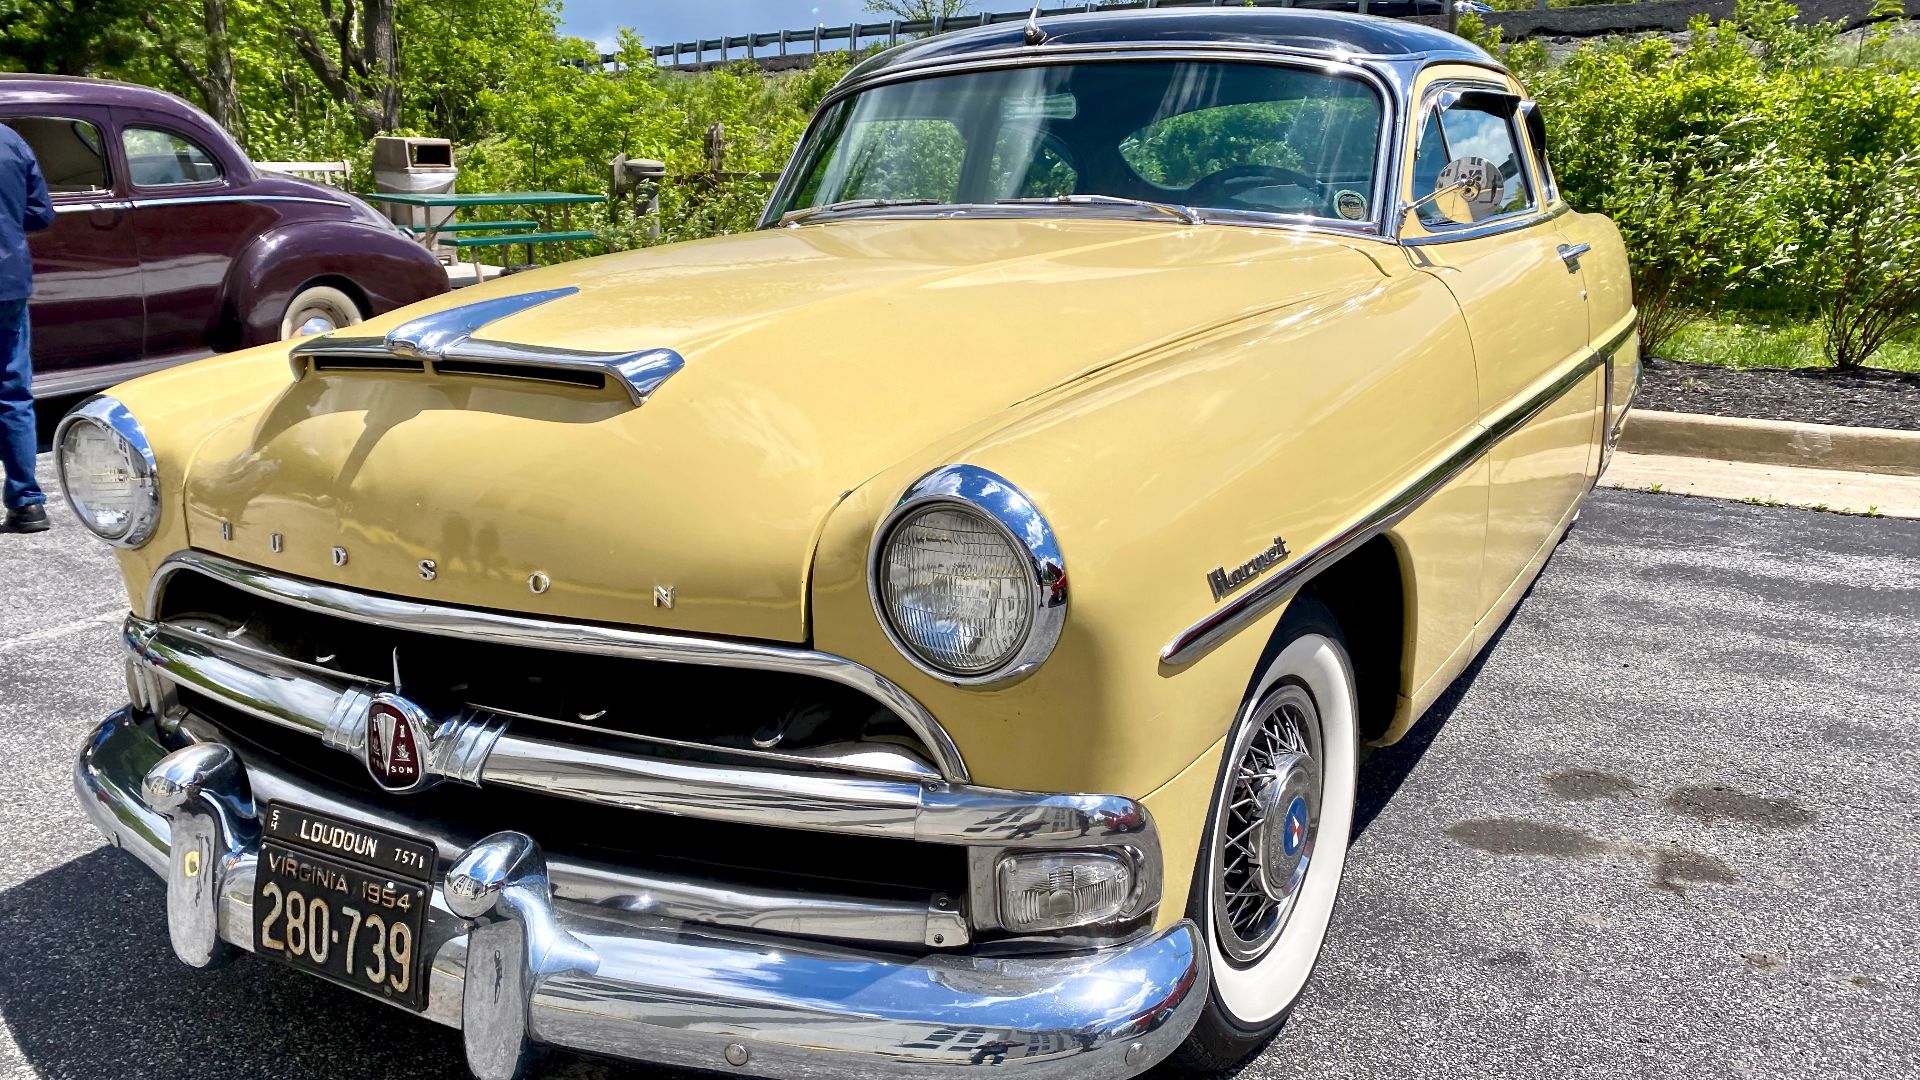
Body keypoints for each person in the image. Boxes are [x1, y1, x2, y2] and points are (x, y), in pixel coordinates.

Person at [0, 122, 54, 533]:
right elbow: (40, 214)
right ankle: (27, 502)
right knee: (13, 391)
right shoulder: (12, 140)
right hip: (8, 280)